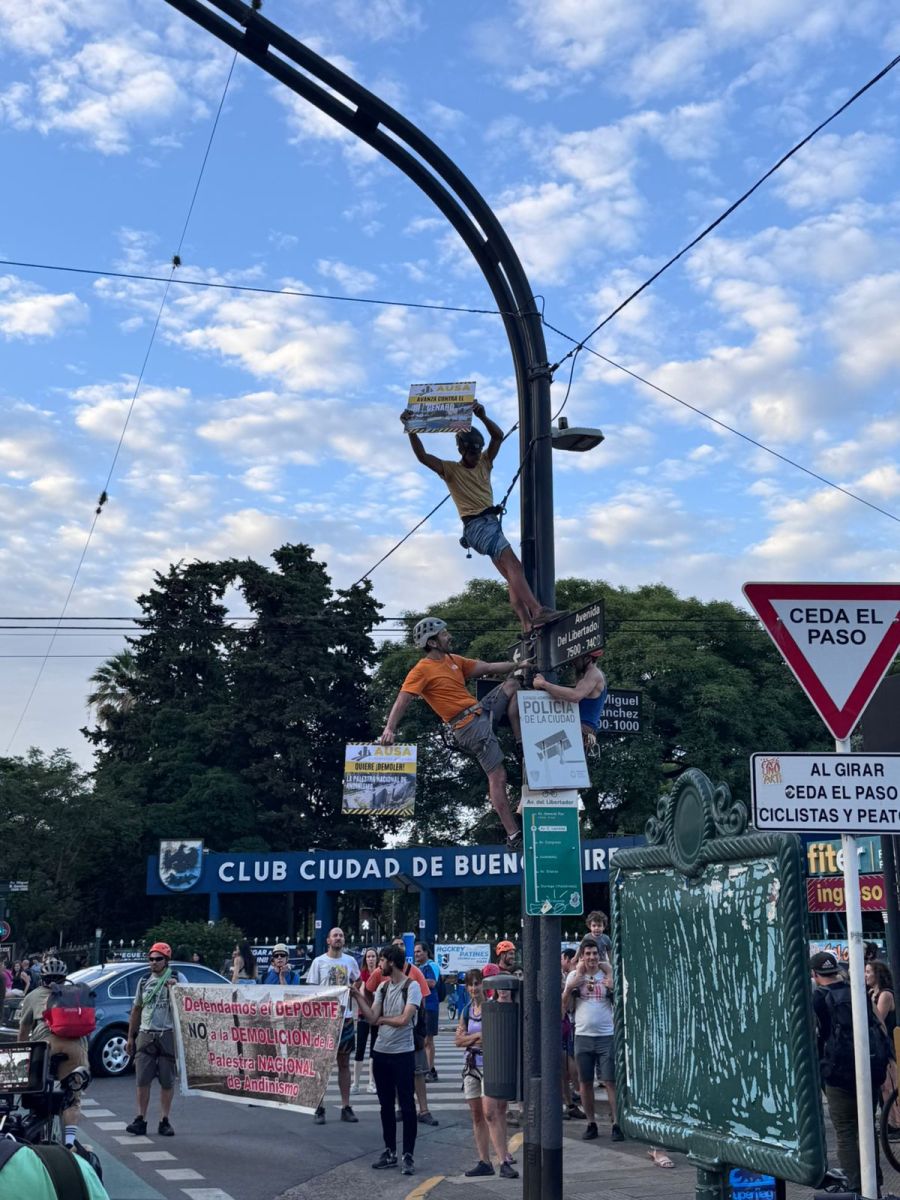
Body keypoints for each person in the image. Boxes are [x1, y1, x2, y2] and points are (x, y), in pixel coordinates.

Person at [401, 400, 565, 632]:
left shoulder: (485, 462)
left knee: (512, 575)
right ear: (461, 450)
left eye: (478, 451)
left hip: (489, 524)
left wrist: (483, 417)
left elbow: (498, 436)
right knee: (515, 566)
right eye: (472, 452)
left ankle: (527, 626)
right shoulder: (451, 470)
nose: (476, 456)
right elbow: (422, 456)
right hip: (477, 526)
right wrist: (411, 429)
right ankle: (538, 611)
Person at [381, 617, 527, 849]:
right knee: (498, 776)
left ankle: (521, 742)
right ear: (433, 642)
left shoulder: (453, 660)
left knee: (512, 684)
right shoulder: (421, 670)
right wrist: (389, 728)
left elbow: (489, 667)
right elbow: (403, 699)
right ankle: (513, 835)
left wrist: (520, 665)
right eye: (444, 634)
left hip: (482, 711)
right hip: (468, 726)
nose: (449, 636)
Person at [812, 949, 888, 1194]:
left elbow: (815, 1037)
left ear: (815, 974)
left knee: (845, 1130)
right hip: (868, 1066)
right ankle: (874, 1184)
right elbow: (879, 1023)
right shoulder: (857, 991)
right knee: (867, 1127)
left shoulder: (817, 998)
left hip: (837, 1073)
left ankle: (854, 1186)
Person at [352, 945, 421, 1176]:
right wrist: (357, 996)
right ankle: (390, 1151)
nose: (379, 965)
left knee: (407, 1105)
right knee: (386, 1106)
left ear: (391, 962)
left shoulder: (411, 987)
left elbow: (404, 1020)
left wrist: (382, 1020)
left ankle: (408, 1154)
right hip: (381, 1051)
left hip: (402, 1053)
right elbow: (372, 1017)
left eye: (381, 960)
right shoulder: (382, 987)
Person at [16, 957, 89, 1149]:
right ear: (65, 978)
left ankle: (34, 1129)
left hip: (45, 1047)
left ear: (42, 978)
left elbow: (24, 1030)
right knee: (72, 1099)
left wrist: (22, 1055)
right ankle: (70, 1144)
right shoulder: (75, 994)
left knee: (36, 1090)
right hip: (74, 1048)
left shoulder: (33, 996)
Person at [456, 967, 519, 1179]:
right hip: (471, 1065)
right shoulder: (467, 1011)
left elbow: (491, 1037)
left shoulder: (491, 1007)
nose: (474, 988)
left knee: (491, 1112)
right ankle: (484, 1161)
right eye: (470, 984)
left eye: (477, 983)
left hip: (490, 1065)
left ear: (484, 985)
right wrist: (476, 1038)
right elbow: (458, 1041)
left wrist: (470, 1038)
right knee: (477, 1115)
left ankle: (503, 1160)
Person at [124, 943, 186, 1138]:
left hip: (168, 1032)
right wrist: (130, 1037)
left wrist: (176, 990)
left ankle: (164, 1120)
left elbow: (188, 1003)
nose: (154, 962)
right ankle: (140, 1118)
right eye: (151, 959)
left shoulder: (177, 977)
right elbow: (137, 1009)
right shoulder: (144, 981)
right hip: (146, 1033)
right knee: (142, 1079)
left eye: (158, 959)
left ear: (166, 960)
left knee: (167, 1080)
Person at [563, 937, 621, 1143]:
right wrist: (570, 988)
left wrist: (613, 986)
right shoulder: (574, 976)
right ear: (582, 956)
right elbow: (564, 1007)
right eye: (587, 954)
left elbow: (622, 1002)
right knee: (585, 1082)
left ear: (599, 955)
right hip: (583, 1035)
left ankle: (616, 1123)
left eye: (595, 953)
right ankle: (591, 1123)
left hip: (606, 1034)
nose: (591, 957)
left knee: (610, 1081)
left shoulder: (607, 973)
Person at [305, 927, 360, 1125]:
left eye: (341, 935)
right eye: (335, 935)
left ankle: (346, 1106)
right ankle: (319, 1106)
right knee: (321, 1064)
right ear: (328, 940)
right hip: (324, 1019)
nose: (338, 938)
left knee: (344, 1063)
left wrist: (353, 990)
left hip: (345, 1018)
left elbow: (358, 980)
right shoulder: (318, 962)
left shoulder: (350, 961)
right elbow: (311, 991)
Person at [533, 649, 608, 753]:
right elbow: (565, 696)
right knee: (541, 751)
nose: (573, 661)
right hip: (578, 730)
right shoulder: (586, 675)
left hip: (582, 731)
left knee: (540, 752)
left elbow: (575, 696)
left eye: (576, 658)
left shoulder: (594, 674)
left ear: (588, 658)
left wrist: (544, 684)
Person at [867, 958, 900, 1133]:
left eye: (868, 972)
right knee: (884, 1085)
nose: (865, 975)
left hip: (888, 1044)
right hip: (879, 1044)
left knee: (890, 1084)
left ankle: (895, 1122)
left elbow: (878, 1018)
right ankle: (890, 1120)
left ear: (878, 974)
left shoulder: (885, 995)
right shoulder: (872, 993)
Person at [560, 948, 584, 1120]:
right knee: (563, 1067)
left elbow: (565, 1008)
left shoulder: (569, 978)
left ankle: (570, 1102)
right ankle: (569, 1102)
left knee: (565, 1066)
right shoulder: (567, 978)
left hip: (564, 1024)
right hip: (563, 1024)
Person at [414, 941, 441, 1081]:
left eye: (419, 951)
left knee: (428, 1040)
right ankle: (429, 1068)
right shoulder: (420, 967)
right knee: (423, 1040)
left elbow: (432, 982)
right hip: (422, 1006)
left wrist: (416, 980)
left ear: (426, 952)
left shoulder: (430, 966)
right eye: (415, 952)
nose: (416, 954)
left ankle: (429, 1071)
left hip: (430, 1006)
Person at [354, 947, 380, 1094]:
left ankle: (372, 1082)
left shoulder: (380, 973)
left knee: (374, 1049)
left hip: (376, 1014)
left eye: (373, 956)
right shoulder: (361, 974)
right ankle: (356, 1082)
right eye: (368, 957)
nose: (370, 959)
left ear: (377, 958)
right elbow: (358, 990)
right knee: (360, 1048)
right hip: (363, 1014)